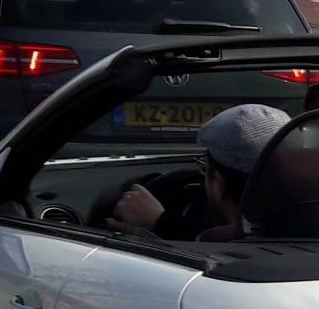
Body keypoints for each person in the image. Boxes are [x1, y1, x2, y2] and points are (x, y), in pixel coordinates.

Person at [107, 101, 294, 241]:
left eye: (205, 168)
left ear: (219, 184)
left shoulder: (225, 250)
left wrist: (161, 223)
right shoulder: (315, 228)